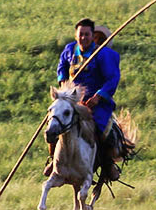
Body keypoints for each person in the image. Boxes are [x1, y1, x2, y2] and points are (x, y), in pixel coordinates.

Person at [44, 18, 121, 181]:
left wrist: (98, 96)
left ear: (92, 36)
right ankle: (54, 159)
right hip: (72, 99)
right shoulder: (69, 50)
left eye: (87, 35)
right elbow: (62, 67)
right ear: (76, 35)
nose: (83, 38)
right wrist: (63, 82)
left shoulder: (102, 54)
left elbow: (112, 78)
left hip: (96, 102)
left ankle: (108, 164)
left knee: (102, 129)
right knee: (54, 122)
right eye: (81, 34)